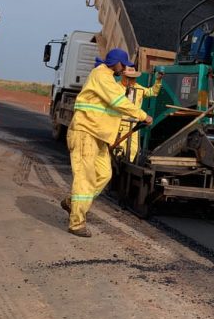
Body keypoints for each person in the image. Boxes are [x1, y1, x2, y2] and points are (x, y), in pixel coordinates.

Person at [59, 49, 153, 237]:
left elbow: (118, 100)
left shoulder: (110, 78)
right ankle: (77, 223)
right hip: (85, 132)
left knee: (104, 174)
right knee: (85, 178)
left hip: (99, 135)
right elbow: (118, 101)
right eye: (123, 64)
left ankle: (72, 202)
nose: (125, 67)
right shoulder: (101, 75)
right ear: (116, 63)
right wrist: (143, 115)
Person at [116, 67, 164, 161]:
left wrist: (158, 80)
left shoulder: (138, 88)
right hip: (119, 125)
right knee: (118, 150)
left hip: (134, 126)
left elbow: (152, 92)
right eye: (130, 78)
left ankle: (127, 169)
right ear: (124, 77)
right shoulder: (116, 88)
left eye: (134, 78)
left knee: (133, 150)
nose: (133, 80)